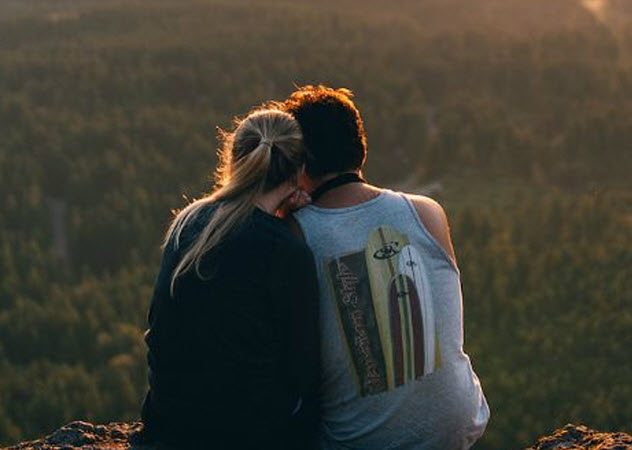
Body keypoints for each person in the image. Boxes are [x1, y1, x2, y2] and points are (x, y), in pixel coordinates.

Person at [282, 86, 490, 449]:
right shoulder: (426, 212)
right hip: (455, 428)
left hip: (362, 442)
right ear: (361, 148)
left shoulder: (295, 234)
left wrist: (281, 208)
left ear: (299, 163)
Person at [138, 108, 321, 449]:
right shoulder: (285, 249)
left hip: (170, 422)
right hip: (247, 433)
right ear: (299, 170)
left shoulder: (189, 222)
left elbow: (159, 324)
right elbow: (304, 371)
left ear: (234, 161)